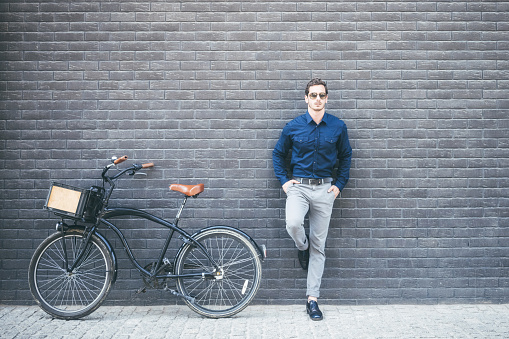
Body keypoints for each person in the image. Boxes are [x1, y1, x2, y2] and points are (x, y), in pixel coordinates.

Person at [272, 78, 352, 321]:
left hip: (325, 190)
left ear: (327, 98)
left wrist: (339, 185)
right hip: (299, 187)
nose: (318, 99)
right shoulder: (293, 126)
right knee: (293, 224)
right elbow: (278, 154)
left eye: (322, 95)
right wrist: (285, 182)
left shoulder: (337, 127)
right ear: (306, 98)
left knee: (320, 246)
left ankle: (312, 300)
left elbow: (346, 157)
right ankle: (301, 247)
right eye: (313, 95)